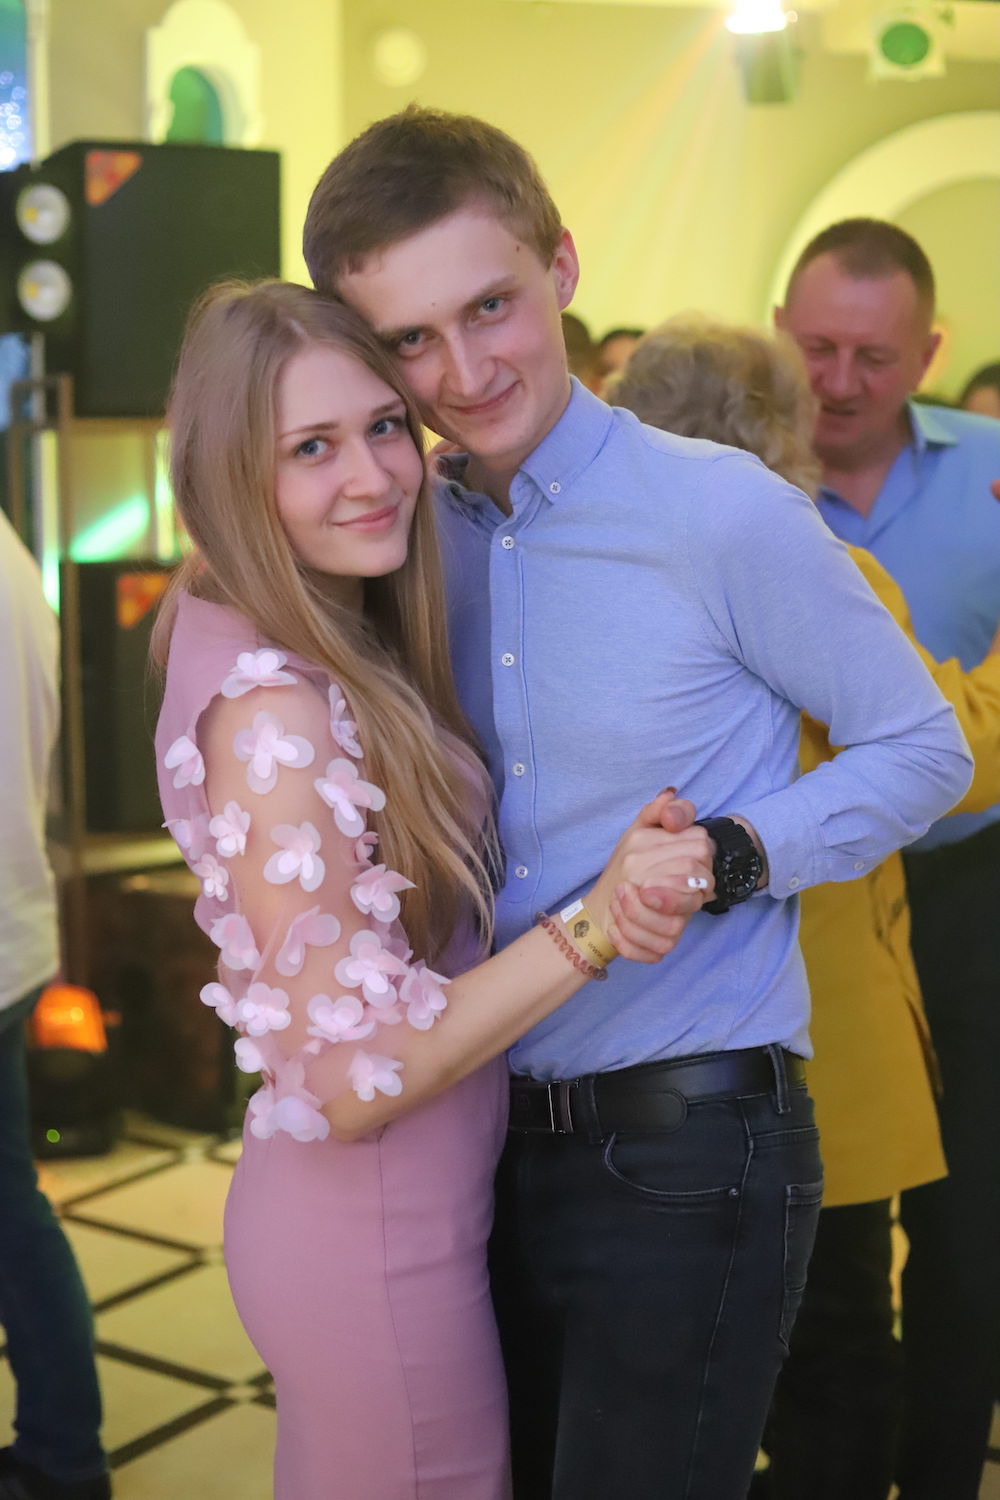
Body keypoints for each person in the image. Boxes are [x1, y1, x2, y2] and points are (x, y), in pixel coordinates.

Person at [301, 108, 973, 1500]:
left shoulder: (722, 513)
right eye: (412, 340)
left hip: (689, 1141)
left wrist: (726, 856)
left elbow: (923, 748)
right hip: (474, 1137)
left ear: (560, 263)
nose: (464, 371)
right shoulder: (405, 539)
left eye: (491, 306)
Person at [152, 279, 714, 1500]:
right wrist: (593, 923)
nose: (373, 476)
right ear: (229, 480)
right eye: (310, 448)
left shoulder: (295, 628)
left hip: (398, 1220)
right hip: (372, 1243)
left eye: (382, 427)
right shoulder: (274, 714)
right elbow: (352, 1079)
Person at [612, 313, 1000, 1500]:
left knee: (678, 1371)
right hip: (813, 1038)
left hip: (628, 1039)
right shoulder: (821, 571)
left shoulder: (591, 586)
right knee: (833, 1361)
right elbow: (957, 759)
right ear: (780, 431)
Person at [776, 216, 1000, 1500]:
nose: (840, 382)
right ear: (778, 334)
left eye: (873, 355)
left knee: (970, 1234)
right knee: (828, 1235)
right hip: (807, 918)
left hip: (969, 900)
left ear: (928, 350)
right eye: (816, 347)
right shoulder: (738, 494)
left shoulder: (991, 475)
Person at [0, 511, 110, 1500]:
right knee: (12, 1210)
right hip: (11, 929)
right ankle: (63, 1451)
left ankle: (63, 1454)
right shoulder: (12, 558)